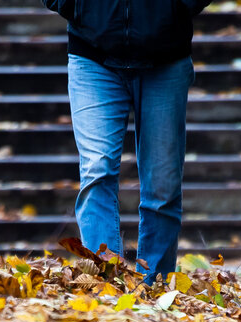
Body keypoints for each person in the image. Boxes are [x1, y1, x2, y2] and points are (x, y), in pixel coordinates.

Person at [42, 0, 212, 284]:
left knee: (163, 185)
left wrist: (173, 8)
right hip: (92, 55)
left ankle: (154, 288)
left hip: (166, 57)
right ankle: (105, 284)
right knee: (97, 169)